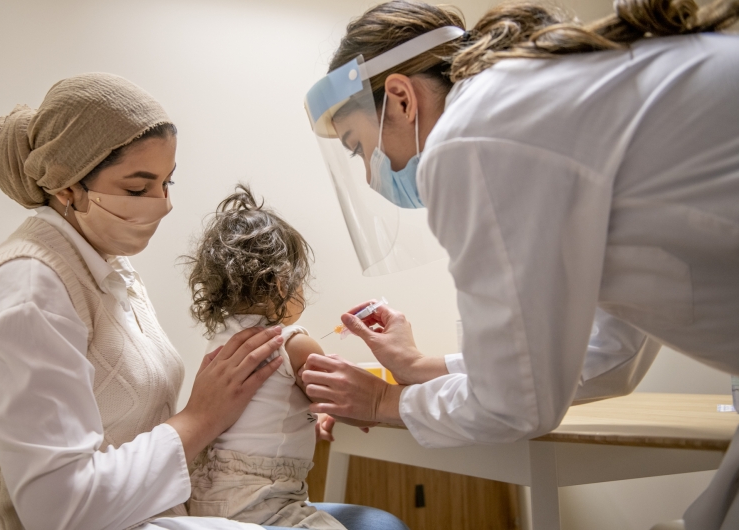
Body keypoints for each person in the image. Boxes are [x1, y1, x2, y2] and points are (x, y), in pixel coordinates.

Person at [299, 1, 739, 529]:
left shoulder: (472, 136)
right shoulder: (529, 102)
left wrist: (384, 402)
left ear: (399, 98)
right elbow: (608, 356)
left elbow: (517, 403)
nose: (371, 174)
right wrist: (422, 369)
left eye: (358, 147)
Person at [0, 73, 405, 530]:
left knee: (378, 523)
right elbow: (61, 512)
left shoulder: (108, 271)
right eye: (138, 188)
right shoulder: (27, 293)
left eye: (168, 184)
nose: (162, 204)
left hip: (158, 508)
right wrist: (201, 418)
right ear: (66, 187)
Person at [183, 185, 355, 530]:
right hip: (263, 499)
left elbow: (263, 410)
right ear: (282, 283)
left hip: (206, 494)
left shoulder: (221, 342)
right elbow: (348, 396)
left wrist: (307, 418)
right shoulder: (293, 342)